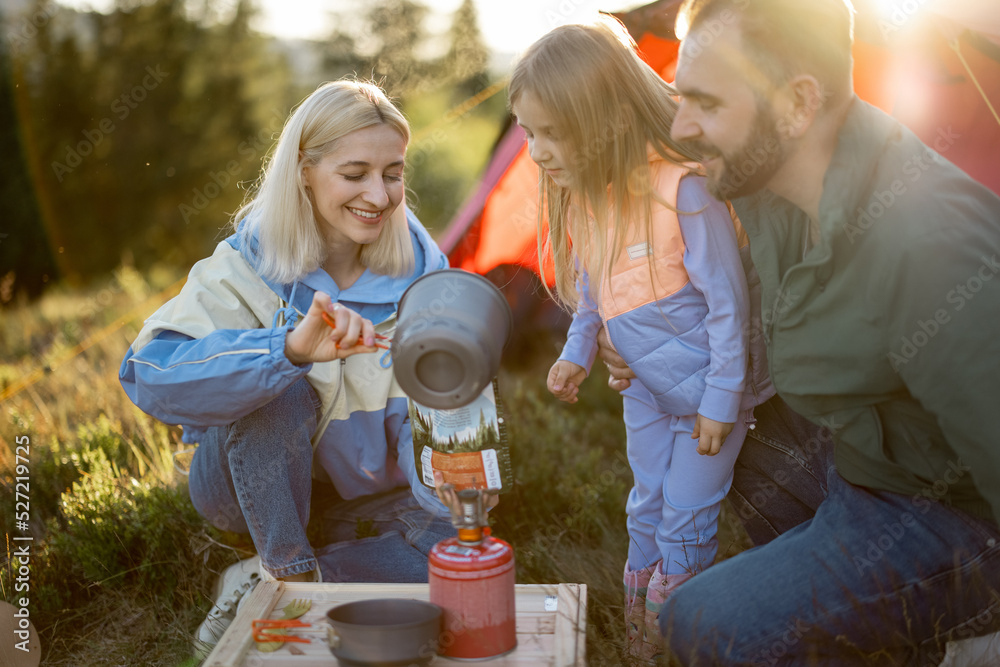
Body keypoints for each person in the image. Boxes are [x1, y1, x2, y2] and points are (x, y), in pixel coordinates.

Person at [594, 0, 1000, 663]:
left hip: (960, 520)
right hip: (865, 458)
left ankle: (963, 641)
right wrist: (634, 335)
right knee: (710, 414)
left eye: (705, 103)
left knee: (707, 621)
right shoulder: (765, 179)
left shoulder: (929, 246)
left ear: (797, 104)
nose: (680, 125)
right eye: (679, 97)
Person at [119, 80, 455, 655]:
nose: (379, 194)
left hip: (363, 495)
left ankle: (270, 580)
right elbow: (149, 373)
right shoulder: (246, 264)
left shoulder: (426, 277)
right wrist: (287, 352)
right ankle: (289, 572)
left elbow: (427, 408)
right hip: (245, 487)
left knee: (458, 560)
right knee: (280, 391)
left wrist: (440, 471)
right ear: (304, 170)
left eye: (393, 173)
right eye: (355, 174)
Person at [508, 18, 774, 660]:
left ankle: (681, 633)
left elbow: (728, 307)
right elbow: (599, 290)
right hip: (648, 395)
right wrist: (576, 351)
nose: (537, 151)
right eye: (528, 133)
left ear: (609, 119)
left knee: (686, 517)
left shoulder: (684, 192)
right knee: (644, 509)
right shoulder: (595, 204)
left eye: (553, 132)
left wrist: (721, 399)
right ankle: (641, 640)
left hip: (710, 398)